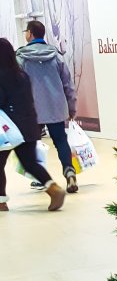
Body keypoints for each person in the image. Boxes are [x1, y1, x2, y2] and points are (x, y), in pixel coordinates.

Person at [0, 38, 66, 211]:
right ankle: (53, 188)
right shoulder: (21, 75)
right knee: (30, 162)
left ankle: (0, 202)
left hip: (7, 130)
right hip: (28, 125)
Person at [16, 20, 78, 193]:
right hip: (56, 107)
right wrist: (71, 107)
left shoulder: (21, 58)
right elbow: (68, 84)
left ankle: (41, 178)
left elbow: (17, 85)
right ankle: (69, 171)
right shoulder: (56, 55)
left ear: (30, 33)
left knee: (33, 144)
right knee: (60, 140)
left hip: (32, 109)